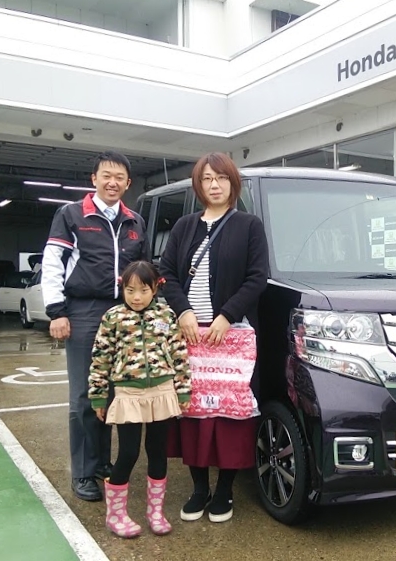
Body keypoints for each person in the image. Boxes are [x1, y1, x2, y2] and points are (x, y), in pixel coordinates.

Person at [159, 152, 268, 523]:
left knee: (229, 413)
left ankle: (224, 491)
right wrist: (183, 311)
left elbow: (257, 277)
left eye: (221, 178)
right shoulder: (184, 226)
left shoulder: (249, 225)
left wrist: (228, 314)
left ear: (232, 182)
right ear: (198, 185)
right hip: (191, 334)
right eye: (207, 179)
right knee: (194, 412)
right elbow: (166, 274)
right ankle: (199, 489)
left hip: (231, 335)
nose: (214, 185)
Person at [42, 150, 149, 502]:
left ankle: (102, 462)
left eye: (119, 177)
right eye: (106, 175)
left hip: (123, 311)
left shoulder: (134, 221)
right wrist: (57, 311)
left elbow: (144, 270)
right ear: (94, 179)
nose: (112, 182)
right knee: (85, 395)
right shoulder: (72, 215)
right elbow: (53, 263)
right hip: (83, 310)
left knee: (114, 392)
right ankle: (84, 472)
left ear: (128, 183)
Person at [88, 260, 190, 538]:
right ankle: (115, 515)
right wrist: (98, 396)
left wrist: (183, 390)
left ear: (155, 288)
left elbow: (179, 354)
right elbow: (100, 359)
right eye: (130, 290)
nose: (136, 297)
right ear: (122, 288)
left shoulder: (166, 315)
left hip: (162, 392)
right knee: (129, 453)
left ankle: (155, 512)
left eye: (143, 290)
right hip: (128, 394)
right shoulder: (113, 317)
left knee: (158, 452)